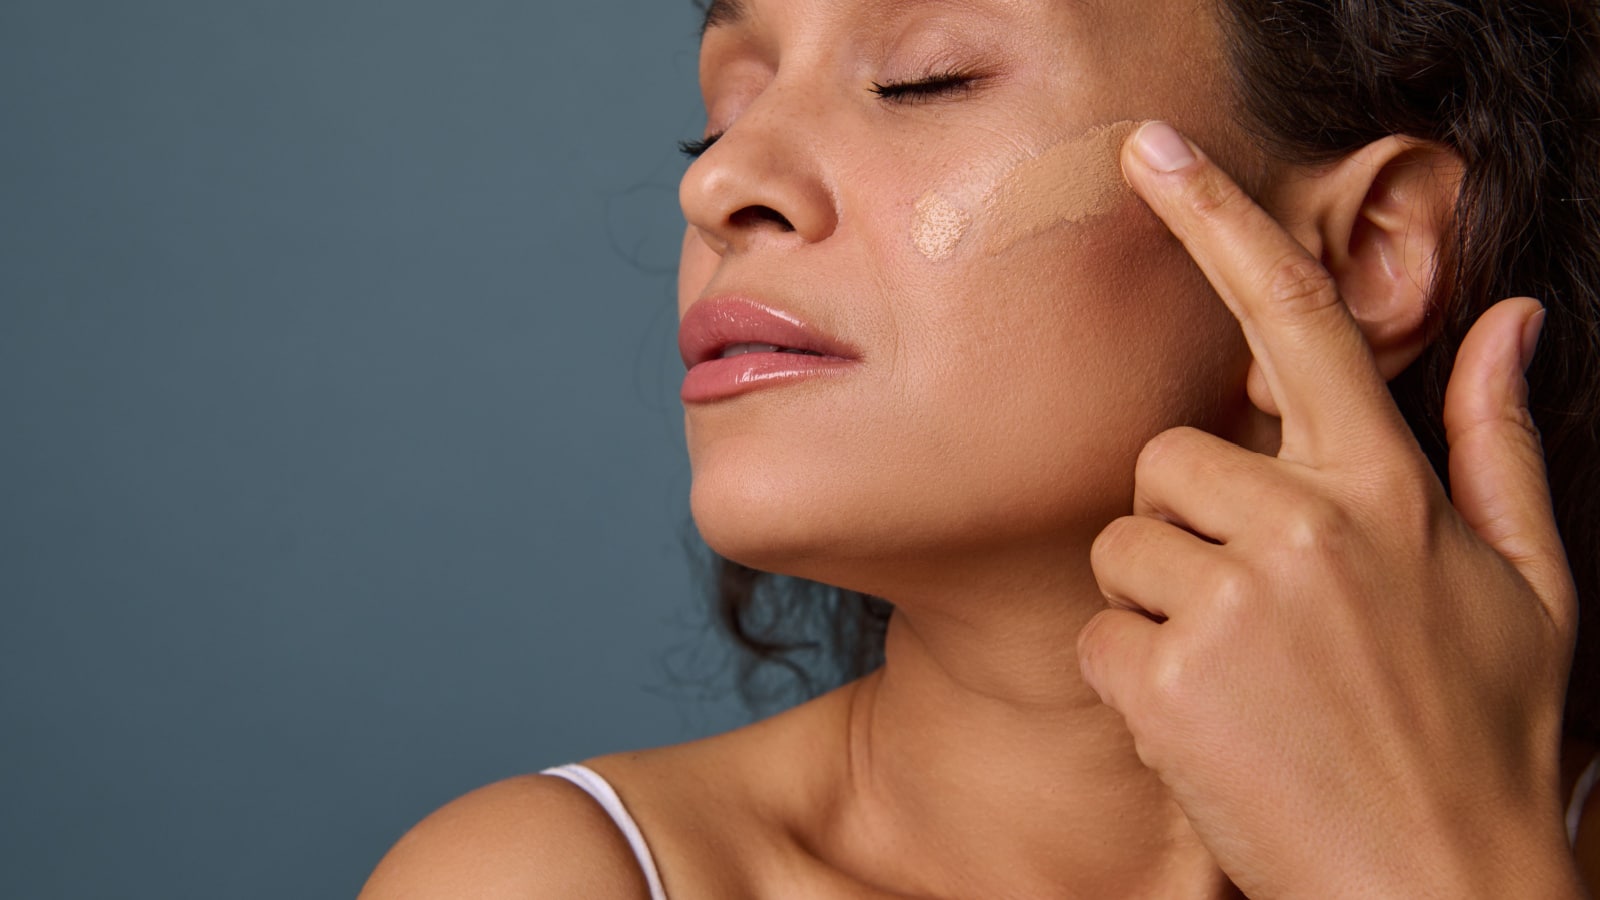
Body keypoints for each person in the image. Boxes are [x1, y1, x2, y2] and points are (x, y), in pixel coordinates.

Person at [359, 0, 1600, 896]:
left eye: (922, 78)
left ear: (1364, 248)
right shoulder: (552, 878)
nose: (722, 179)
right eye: (723, 109)